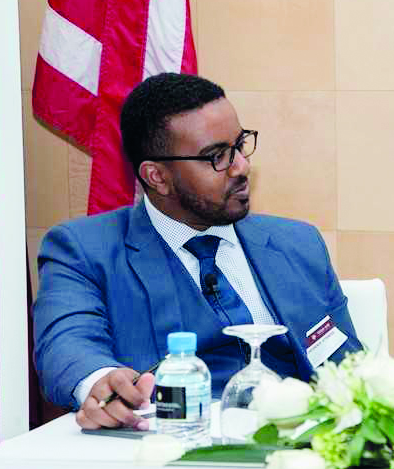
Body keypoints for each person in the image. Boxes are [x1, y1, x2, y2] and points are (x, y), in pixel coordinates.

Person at [33, 73, 361, 430]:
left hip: (300, 451)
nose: (241, 166)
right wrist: (100, 380)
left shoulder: (299, 244)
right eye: (217, 156)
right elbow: (65, 342)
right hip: (173, 454)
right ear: (157, 176)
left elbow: (349, 368)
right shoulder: (83, 249)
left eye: (240, 144)